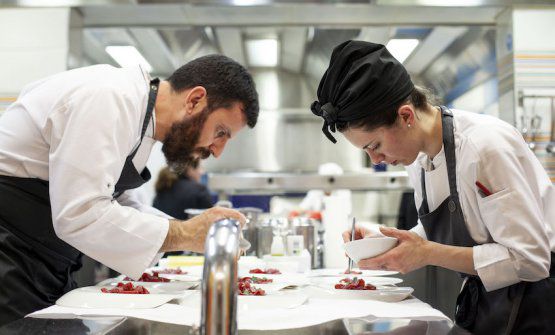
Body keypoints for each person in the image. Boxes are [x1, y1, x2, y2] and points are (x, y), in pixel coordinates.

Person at [311, 40, 554, 334]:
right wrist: (387, 240)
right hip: (487, 302)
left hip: (537, 307)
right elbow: (448, 229)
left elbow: (529, 260)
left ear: (406, 116)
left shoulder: (483, 147)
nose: (375, 159)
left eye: (374, 145)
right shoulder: (419, 159)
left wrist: (426, 253)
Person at [0, 54, 259, 325]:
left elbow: (120, 202)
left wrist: (191, 229)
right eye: (221, 132)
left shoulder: (141, 119)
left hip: (42, 263)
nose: (217, 151)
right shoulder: (108, 97)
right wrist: (183, 234)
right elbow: (80, 213)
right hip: (9, 255)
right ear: (195, 100)